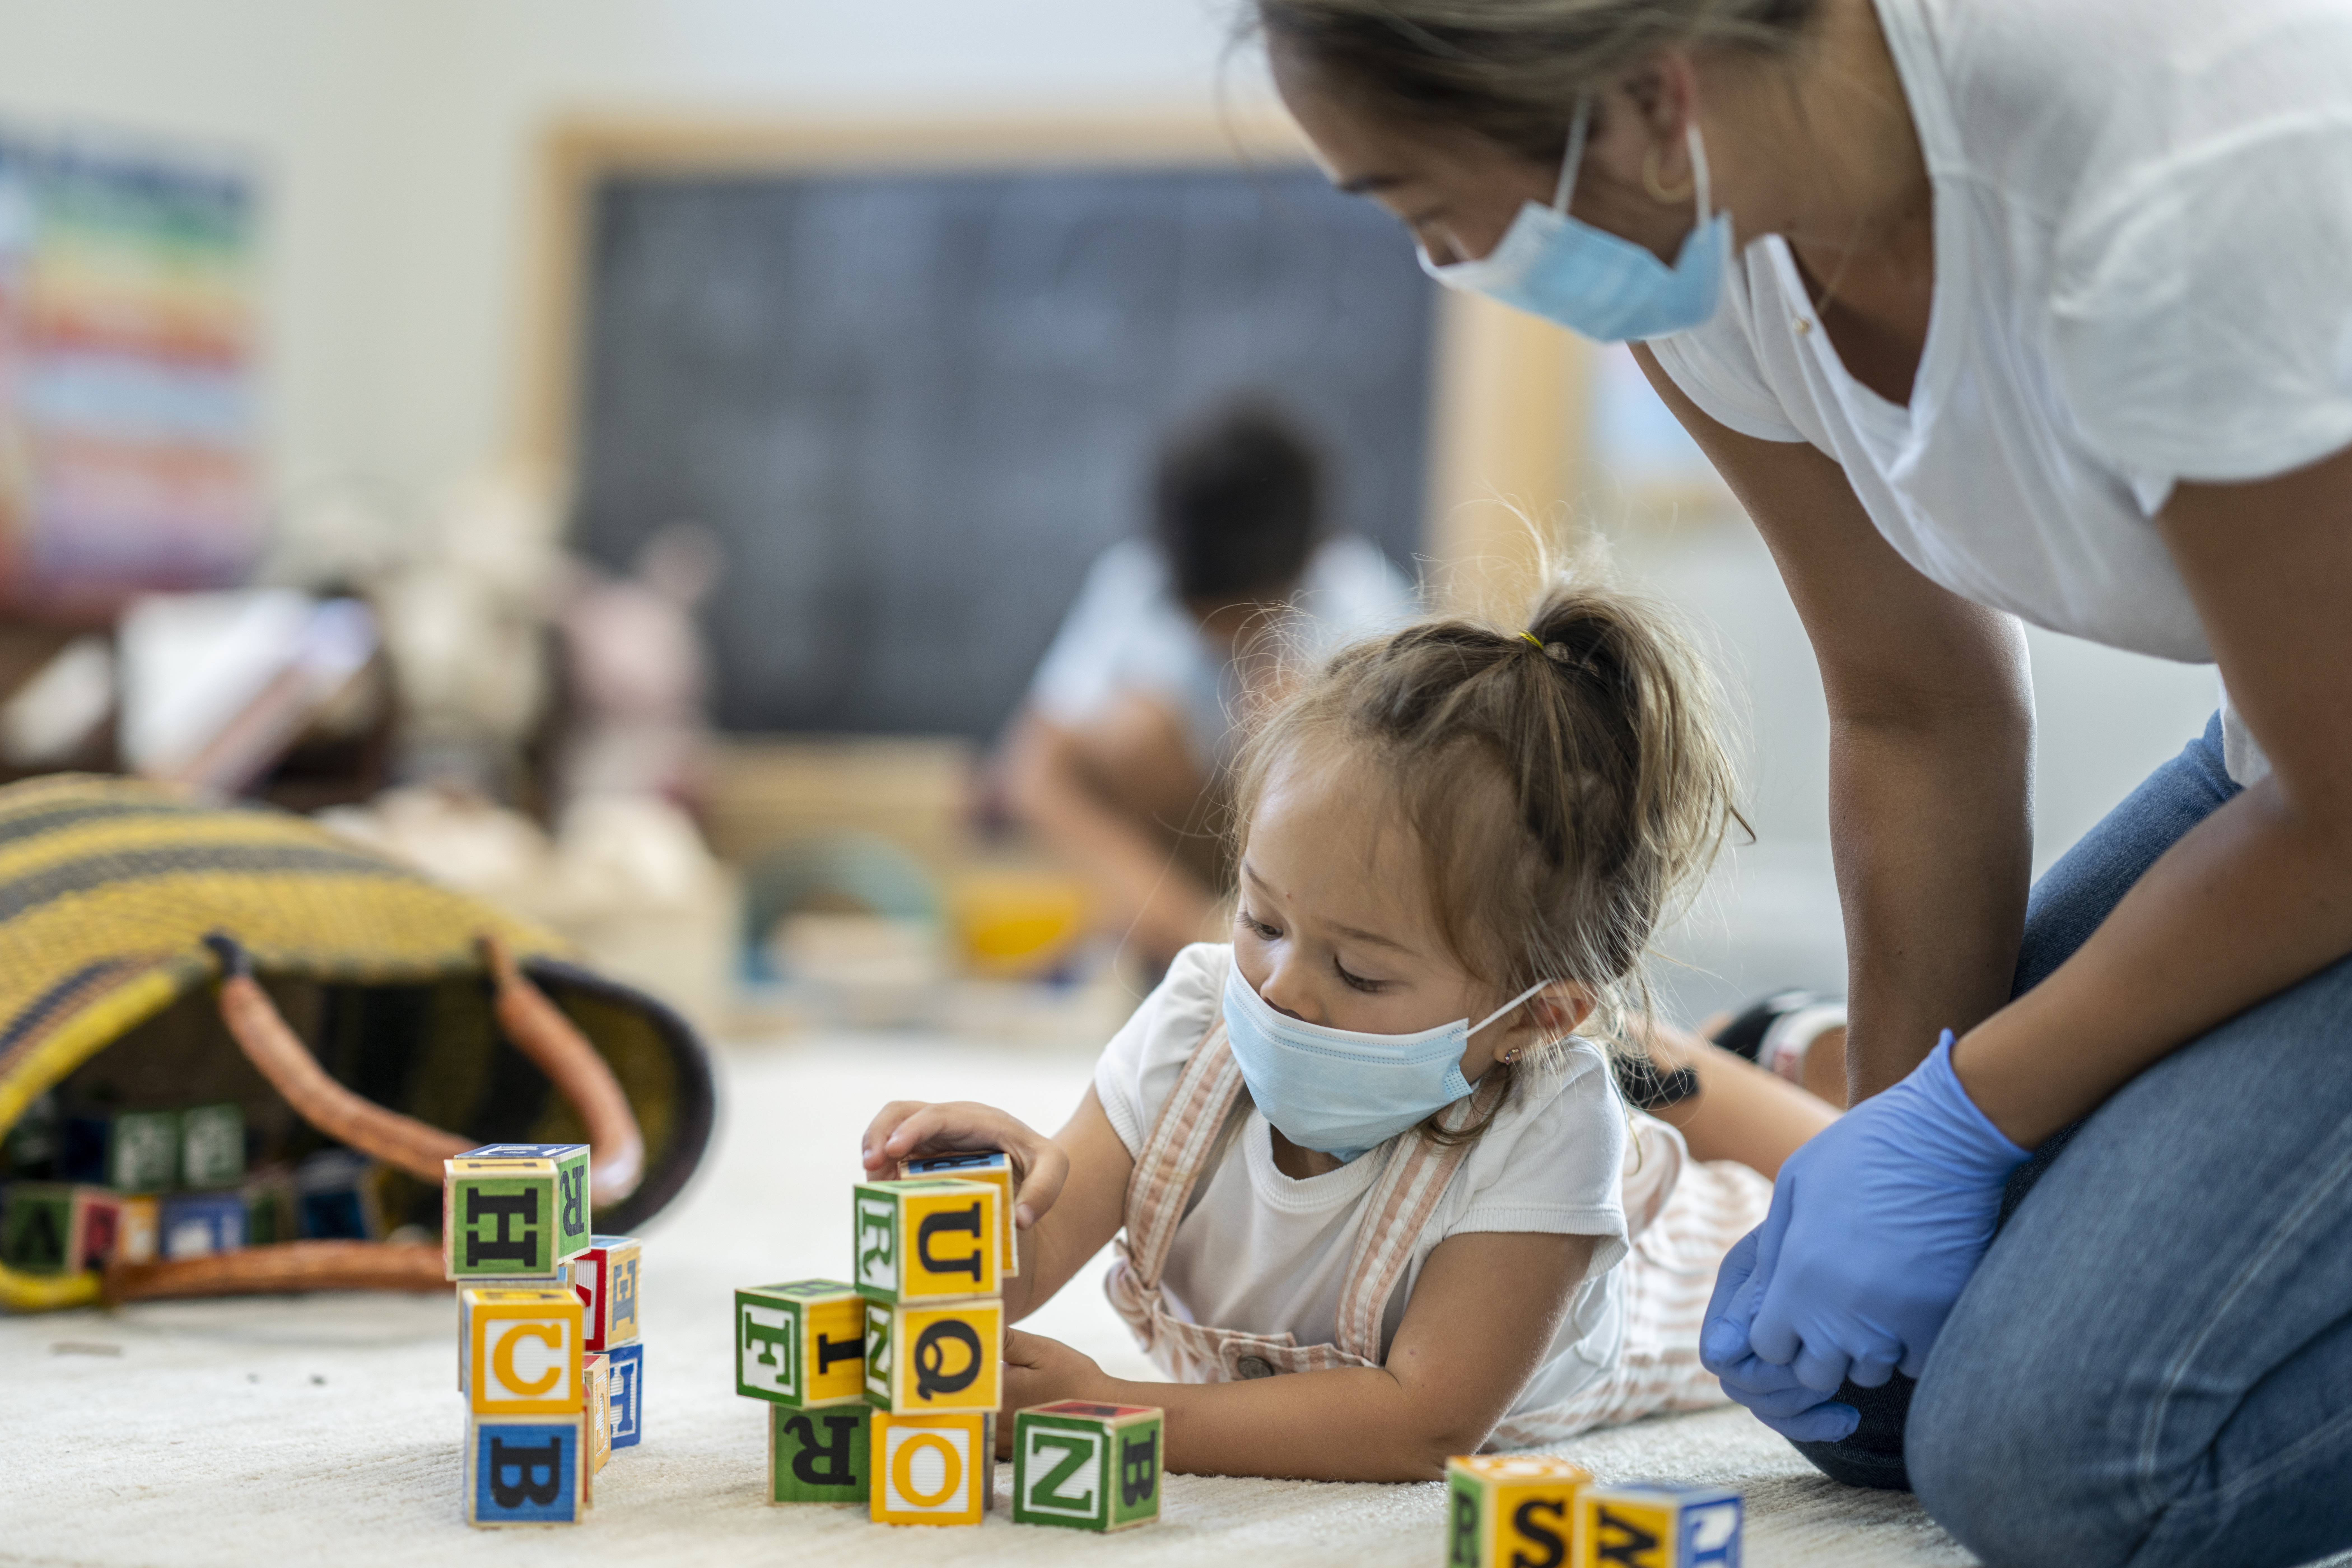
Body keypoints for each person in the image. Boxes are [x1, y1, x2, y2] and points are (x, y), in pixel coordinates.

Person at [1254, 0, 2352, 1562]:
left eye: (1431, 210)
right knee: (1871, 1406)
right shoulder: (1694, 237)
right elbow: (1921, 709)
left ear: (1641, 96)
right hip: (2305, 754)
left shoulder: (2173, 172)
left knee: (2059, 1464)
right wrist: (1889, 1133)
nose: (1450, 265)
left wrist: (1962, 1122)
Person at [867, 579, 1835, 1479]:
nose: (1281, 988)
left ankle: (1770, 1051)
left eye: (1360, 970)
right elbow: (1008, 1281)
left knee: (1844, 1188)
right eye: (1261, 920)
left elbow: (1422, 1422)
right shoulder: (1200, 1018)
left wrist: (1119, 1408)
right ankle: (1719, 1051)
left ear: (1533, 1015)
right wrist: (978, 1206)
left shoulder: (1550, 1119)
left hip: (1694, 1242)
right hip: (1543, 1052)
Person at [1002, 401, 1414, 972]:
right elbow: (1033, 772)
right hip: (1187, 882)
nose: (1224, 643)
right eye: (1206, 622)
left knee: (1304, 715)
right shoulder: (1137, 585)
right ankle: (1212, 936)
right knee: (1135, 732)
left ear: (1310, 560)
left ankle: (1283, 937)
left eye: (1246, 620)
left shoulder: (1362, 603)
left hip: (1310, 873)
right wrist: (1165, 907)